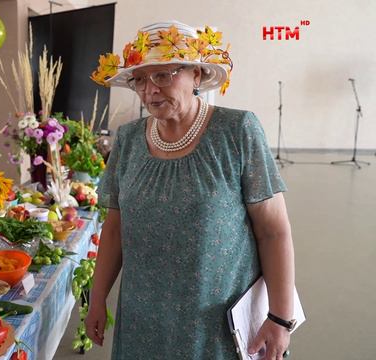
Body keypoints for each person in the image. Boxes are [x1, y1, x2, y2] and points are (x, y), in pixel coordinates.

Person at [85, 21, 295, 360]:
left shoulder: (237, 131)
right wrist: (96, 300)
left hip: (216, 328)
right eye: (140, 79)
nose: (150, 90)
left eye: (164, 75)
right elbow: (113, 231)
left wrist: (280, 318)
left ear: (197, 74)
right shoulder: (128, 141)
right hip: (143, 323)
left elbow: (273, 232)